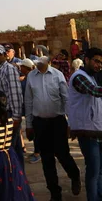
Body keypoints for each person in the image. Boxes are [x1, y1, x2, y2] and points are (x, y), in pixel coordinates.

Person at [25, 56, 81, 201]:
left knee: (63, 154)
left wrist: (72, 122)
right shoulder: (31, 77)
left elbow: (66, 99)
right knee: (47, 159)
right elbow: (29, 101)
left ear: (48, 62)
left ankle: (75, 175)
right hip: (40, 123)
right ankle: (55, 193)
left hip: (57, 122)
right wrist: (29, 125)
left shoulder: (57, 75)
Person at [68, 47, 102, 200]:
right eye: (96, 61)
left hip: (96, 130)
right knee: (94, 171)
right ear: (86, 60)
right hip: (86, 132)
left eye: (101, 63)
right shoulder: (78, 77)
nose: (98, 65)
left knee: (100, 170)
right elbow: (93, 91)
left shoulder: (92, 76)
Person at [0, 44, 24, 166]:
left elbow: (15, 93)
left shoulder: (9, 69)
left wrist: (16, 117)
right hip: (5, 113)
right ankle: (19, 177)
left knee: (10, 148)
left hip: (11, 113)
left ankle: (17, 176)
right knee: (15, 148)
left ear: (5, 55)